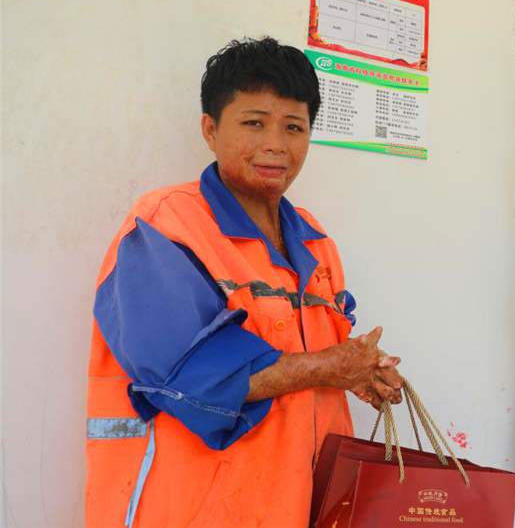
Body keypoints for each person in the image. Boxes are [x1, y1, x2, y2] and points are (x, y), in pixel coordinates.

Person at [85, 37, 404, 527]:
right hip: (194, 511)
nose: (276, 143)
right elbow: (190, 375)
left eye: (294, 127)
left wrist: (362, 374)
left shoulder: (316, 241)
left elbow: (319, 361)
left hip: (301, 507)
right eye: (254, 122)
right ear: (210, 129)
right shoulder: (165, 223)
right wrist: (329, 367)